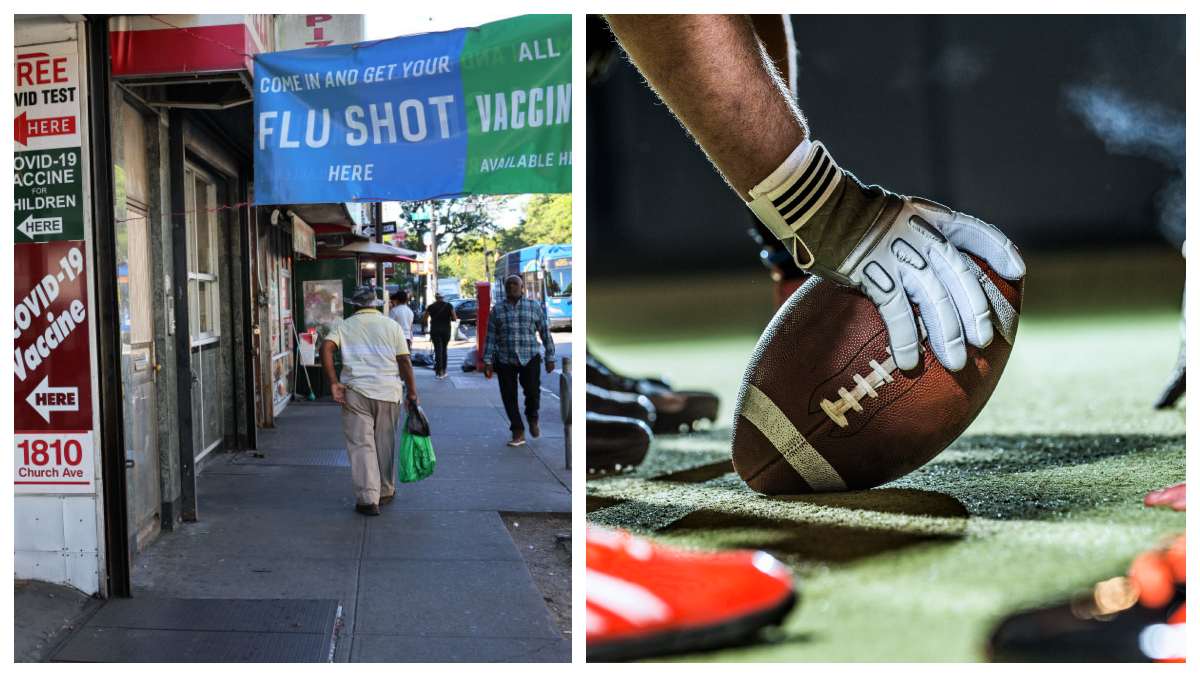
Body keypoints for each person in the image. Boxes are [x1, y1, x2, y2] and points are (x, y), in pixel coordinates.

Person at [321, 286, 419, 516]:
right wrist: (412, 391)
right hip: (388, 391)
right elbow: (404, 360)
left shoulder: (343, 326)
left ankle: (367, 498)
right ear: (375, 304)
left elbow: (326, 348)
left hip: (356, 392)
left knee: (361, 445)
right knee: (384, 442)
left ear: (354, 305)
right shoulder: (392, 326)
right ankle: (385, 490)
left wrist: (334, 382)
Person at [483, 275, 556, 447]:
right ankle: (518, 431)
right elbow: (491, 337)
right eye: (508, 285)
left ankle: (532, 418)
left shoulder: (533, 306)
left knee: (532, 392)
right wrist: (487, 361)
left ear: (522, 287)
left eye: (515, 284)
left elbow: (545, 332)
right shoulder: (498, 310)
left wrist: (550, 356)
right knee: (508, 396)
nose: (511, 287)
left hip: (529, 356)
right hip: (505, 359)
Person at [422, 292, 457, 379]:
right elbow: (454, 318)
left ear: (436, 298)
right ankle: (444, 371)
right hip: (446, 331)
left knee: (438, 350)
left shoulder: (431, 306)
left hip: (435, 330)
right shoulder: (449, 305)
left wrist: (425, 328)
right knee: (444, 350)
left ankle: (439, 371)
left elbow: (424, 319)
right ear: (443, 297)